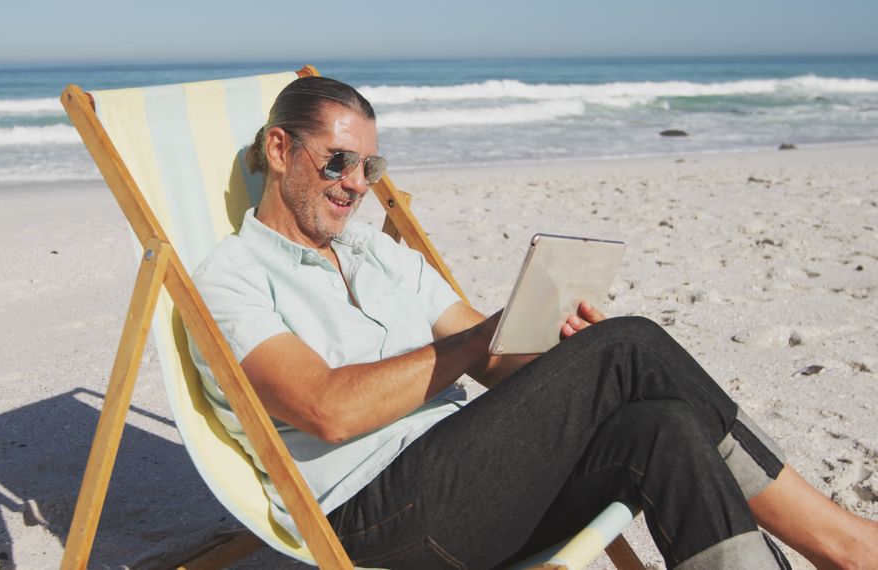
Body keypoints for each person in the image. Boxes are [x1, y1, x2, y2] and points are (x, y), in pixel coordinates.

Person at [188, 76, 878, 569]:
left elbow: (494, 364)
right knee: (632, 345)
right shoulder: (232, 279)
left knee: (659, 421)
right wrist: (507, 341)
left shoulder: (378, 253)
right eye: (337, 160)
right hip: (381, 519)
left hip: (474, 481)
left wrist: (568, 362)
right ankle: (848, 547)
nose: (356, 184)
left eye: (370, 166)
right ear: (279, 151)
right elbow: (327, 410)